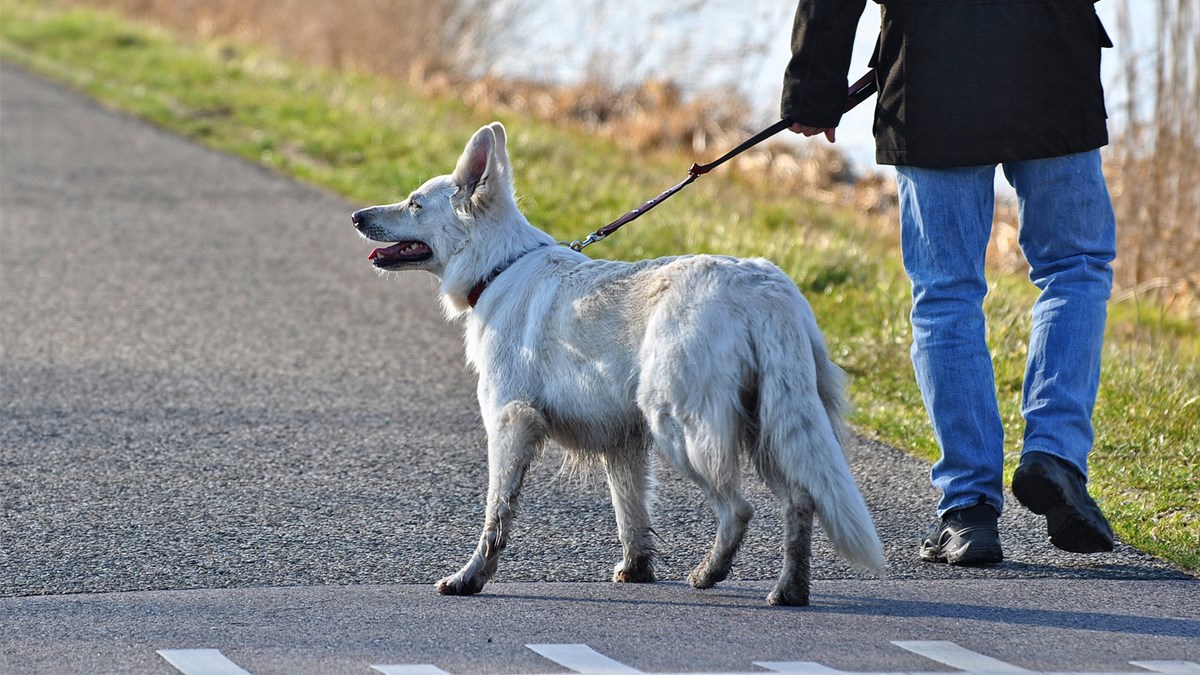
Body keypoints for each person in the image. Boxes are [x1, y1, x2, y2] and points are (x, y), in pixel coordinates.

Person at [781, 0, 1117, 564]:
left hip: (933, 75)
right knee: (1074, 268)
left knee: (946, 294)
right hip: (1051, 61)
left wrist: (814, 86)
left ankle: (968, 511)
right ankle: (1054, 454)